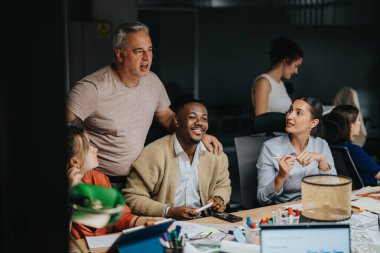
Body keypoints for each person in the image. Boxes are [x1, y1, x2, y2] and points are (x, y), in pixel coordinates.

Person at [66, 22, 222, 190]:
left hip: (137, 179)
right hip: (96, 180)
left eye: (150, 49)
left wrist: (197, 135)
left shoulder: (153, 82)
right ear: (120, 55)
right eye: (139, 51)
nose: (147, 58)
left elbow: (169, 118)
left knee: (139, 217)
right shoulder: (92, 88)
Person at [123, 99, 231, 220]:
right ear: (177, 121)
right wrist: (169, 211)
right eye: (192, 117)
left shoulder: (216, 154)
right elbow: (132, 196)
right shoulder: (153, 153)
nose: (199, 122)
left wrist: (219, 198)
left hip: (204, 223)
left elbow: (223, 185)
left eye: (204, 119)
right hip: (164, 223)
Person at [67, 126, 160, 239]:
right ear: (75, 162)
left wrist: (146, 221)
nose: (95, 149)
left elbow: (120, 216)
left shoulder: (99, 178)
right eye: (88, 147)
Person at [257, 97, 336, 206]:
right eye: (290, 110)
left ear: (313, 123)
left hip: (316, 209)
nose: (289, 116)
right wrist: (280, 177)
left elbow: (334, 191)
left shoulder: (321, 145)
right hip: (285, 213)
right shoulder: (270, 148)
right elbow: (262, 198)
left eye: (298, 113)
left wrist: (322, 162)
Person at [328, 105, 380, 186]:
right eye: (358, 120)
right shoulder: (354, 150)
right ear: (351, 126)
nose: (360, 123)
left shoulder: (330, 146)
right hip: (366, 191)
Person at [251, 37, 303, 116]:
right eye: (296, 66)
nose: (296, 71)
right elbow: (261, 122)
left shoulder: (280, 83)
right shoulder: (263, 82)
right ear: (286, 61)